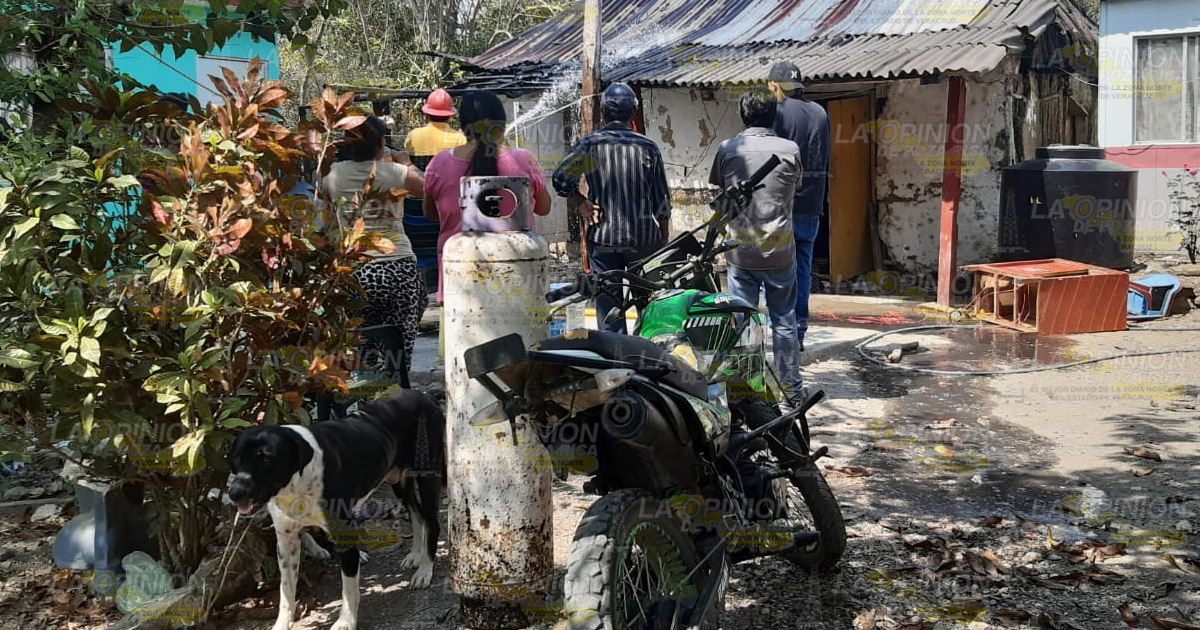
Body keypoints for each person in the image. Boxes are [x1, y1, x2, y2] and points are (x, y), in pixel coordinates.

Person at [552, 82, 671, 334]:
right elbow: (661, 199)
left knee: (609, 308)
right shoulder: (647, 147)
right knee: (649, 304)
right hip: (643, 240)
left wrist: (581, 202)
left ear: (603, 112)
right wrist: (663, 238)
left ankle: (616, 354)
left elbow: (561, 179)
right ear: (633, 113)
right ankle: (647, 349)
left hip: (603, 240)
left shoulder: (589, 145)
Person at [710, 88, 806, 401]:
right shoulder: (790, 149)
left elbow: (720, 190)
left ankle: (745, 392)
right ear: (773, 115)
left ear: (743, 114)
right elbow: (795, 187)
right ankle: (791, 390)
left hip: (741, 251)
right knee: (784, 320)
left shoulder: (728, 149)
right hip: (780, 249)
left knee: (742, 320)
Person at [320, 115, 427, 378]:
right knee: (399, 347)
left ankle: (368, 393)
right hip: (399, 270)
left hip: (356, 272)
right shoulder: (395, 173)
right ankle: (396, 391)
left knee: (361, 345)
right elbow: (428, 188)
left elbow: (327, 224)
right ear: (381, 143)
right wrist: (406, 163)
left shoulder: (331, 176)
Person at [422, 90, 551, 303]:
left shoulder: (439, 163)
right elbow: (544, 208)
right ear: (502, 125)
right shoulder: (524, 160)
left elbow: (430, 214)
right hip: (519, 276)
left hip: (459, 280)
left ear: (462, 127)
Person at [768, 61, 830, 352]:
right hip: (812, 204)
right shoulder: (820, 113)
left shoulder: (778, 112)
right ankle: (798, 332)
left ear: (776, 85)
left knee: (775, 270)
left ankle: (781, 333)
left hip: (781, 205)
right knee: (802, 268)